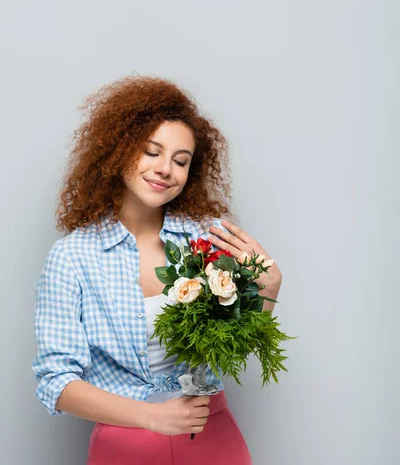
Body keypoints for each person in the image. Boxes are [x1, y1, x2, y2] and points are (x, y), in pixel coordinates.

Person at [32, 74, 281, 464]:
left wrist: (268, 290)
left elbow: (234, 347)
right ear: (118, 151)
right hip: (125, 444)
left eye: (180, 161)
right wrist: (152, 416)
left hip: (213, 438)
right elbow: (56, 381)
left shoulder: (208, 238)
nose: (165, 168)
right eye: (151, 152)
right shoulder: (72, 257)